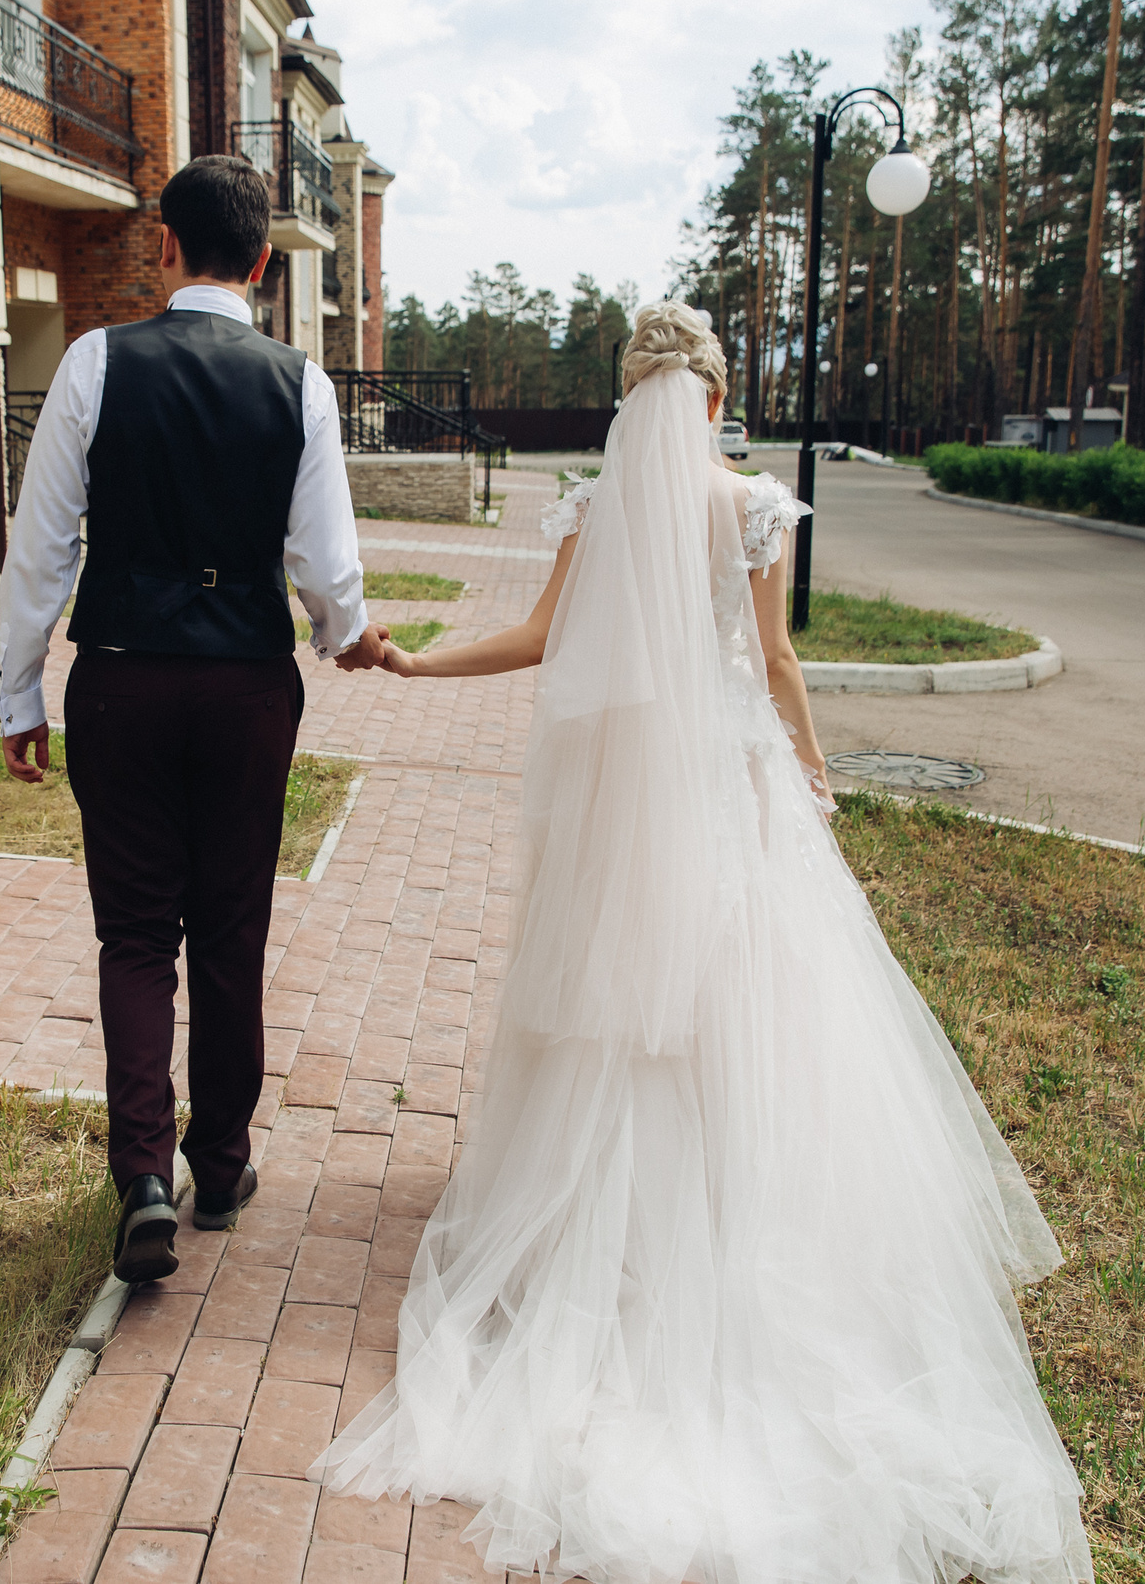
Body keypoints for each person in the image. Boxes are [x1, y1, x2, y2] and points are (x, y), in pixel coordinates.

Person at [311, 304, 1092, 1584]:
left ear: (631, 400)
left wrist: (416, 665)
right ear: (717, 398)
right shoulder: (754, 506)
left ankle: (593, 1216)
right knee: (750, 992)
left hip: (625, 800)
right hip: (728, 784)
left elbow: (540, 639)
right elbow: (773, 659)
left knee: (614, 994)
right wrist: (814, 765)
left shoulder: (595, 505)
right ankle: (740, 1203)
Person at [0, 154, 388, 1286]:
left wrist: (19, 692)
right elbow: (324, 559)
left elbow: (40, 547)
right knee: (228, 931)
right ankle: (219, 1167)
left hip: (121, 678)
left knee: (133, 936)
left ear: (163, 245)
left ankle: (143, 1178)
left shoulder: (93, 362)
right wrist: (344, 633)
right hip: (245, 690)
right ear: (263, 263)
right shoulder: (300, 383)